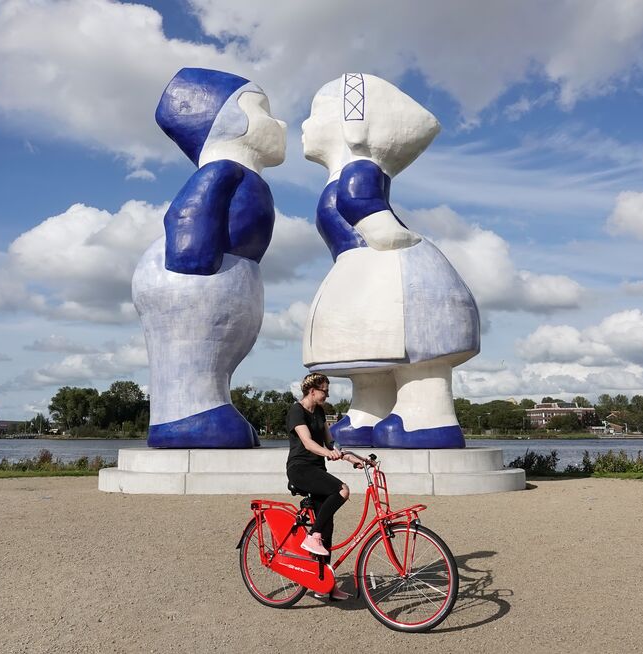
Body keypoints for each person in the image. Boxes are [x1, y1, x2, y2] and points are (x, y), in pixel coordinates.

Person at [300, 73, 480, 449]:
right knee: (373, 359)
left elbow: (362, 206)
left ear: (353, 122)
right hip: (364, 270)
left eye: (316, 113)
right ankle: (372, 411)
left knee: (414, 357)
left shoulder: (358, 171)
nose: (305, 124)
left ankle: (427, 416)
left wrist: (387, 233)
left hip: (393, 272)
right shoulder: (346, 173)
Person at [134, 68, 287, 448]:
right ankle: (186, 416)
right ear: (229, 122)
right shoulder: (223, 169)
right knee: (192, 354)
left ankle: (210, 407)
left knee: (212, 360)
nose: (279, 123)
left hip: (225, 271)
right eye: (263, 111)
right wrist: (195, 261)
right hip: (200, 276)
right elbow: (186, 216)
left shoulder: (240, 173)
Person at [286, 372, 365, 601]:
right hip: (300, 469)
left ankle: (324, 585)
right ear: (312, 391)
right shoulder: (296, 411)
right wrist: (328, 453)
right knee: (342, 490)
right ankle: (312, 536)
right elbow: (309, 443)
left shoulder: (319, 412)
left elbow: (330, 441)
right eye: (325, 391)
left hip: (317, 469)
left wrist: (351, 457)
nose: (327, 395)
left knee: (327, 526)